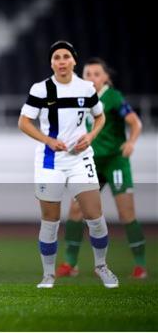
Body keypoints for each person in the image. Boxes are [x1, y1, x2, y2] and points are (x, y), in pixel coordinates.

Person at [18, 40, 118, 289]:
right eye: (56, 58)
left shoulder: (86, 88)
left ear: (74, 60)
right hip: (49, 162)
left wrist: (90, 136)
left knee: (95, 216)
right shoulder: (41, 89)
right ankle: (48, 275)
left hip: (80, 160)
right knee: (50, 220)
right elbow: (24, 122)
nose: (61, 61)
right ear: (51, 63)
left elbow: (100, 116)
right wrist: (48, 140)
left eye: (65, 57)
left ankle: (101, 267)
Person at [56, 58, 146, 279]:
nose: (92, 78)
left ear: (106, 78)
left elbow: (135, 122)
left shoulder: (113, 98)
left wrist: (131, 142)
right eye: (88, 74)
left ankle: (140, 265)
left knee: (126, 214)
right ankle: (70, 263)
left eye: (97, 74)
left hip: (115, 162)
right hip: (89, 163)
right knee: (76, 210)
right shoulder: (80, 97)